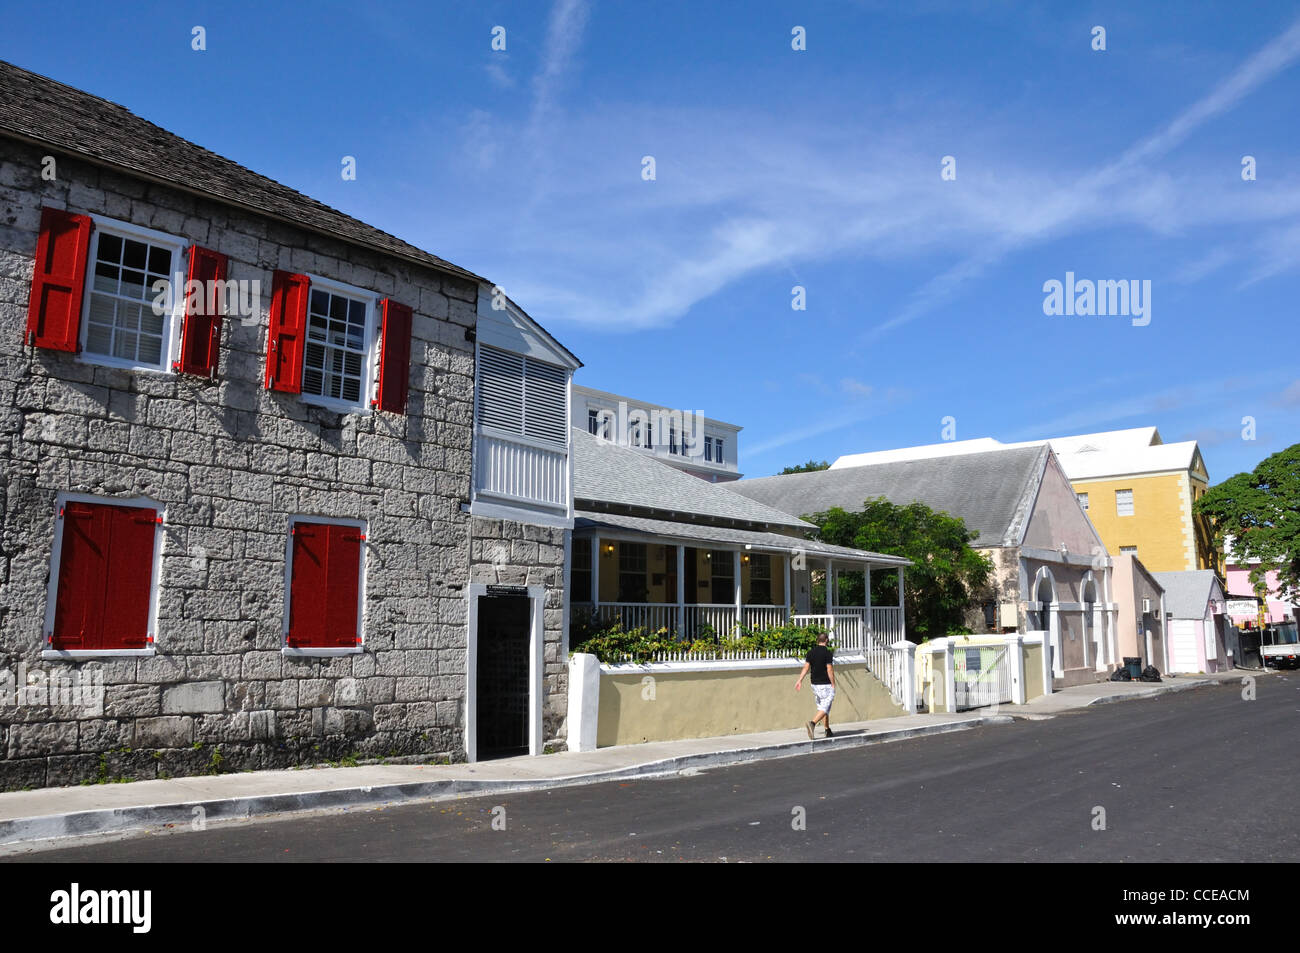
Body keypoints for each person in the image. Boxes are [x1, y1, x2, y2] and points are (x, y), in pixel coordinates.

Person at [795, 632, 835, 738]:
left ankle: (827, 730)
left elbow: (806, 667)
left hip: (814, 684)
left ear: (817, 640)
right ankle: (812, 723)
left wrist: (799, 680)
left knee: (823, 707)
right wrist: (833, 683)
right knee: (825, 707)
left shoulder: (811, 652)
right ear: (826, 640)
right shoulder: (827, 653)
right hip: (825, 684)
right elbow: (829, 669)